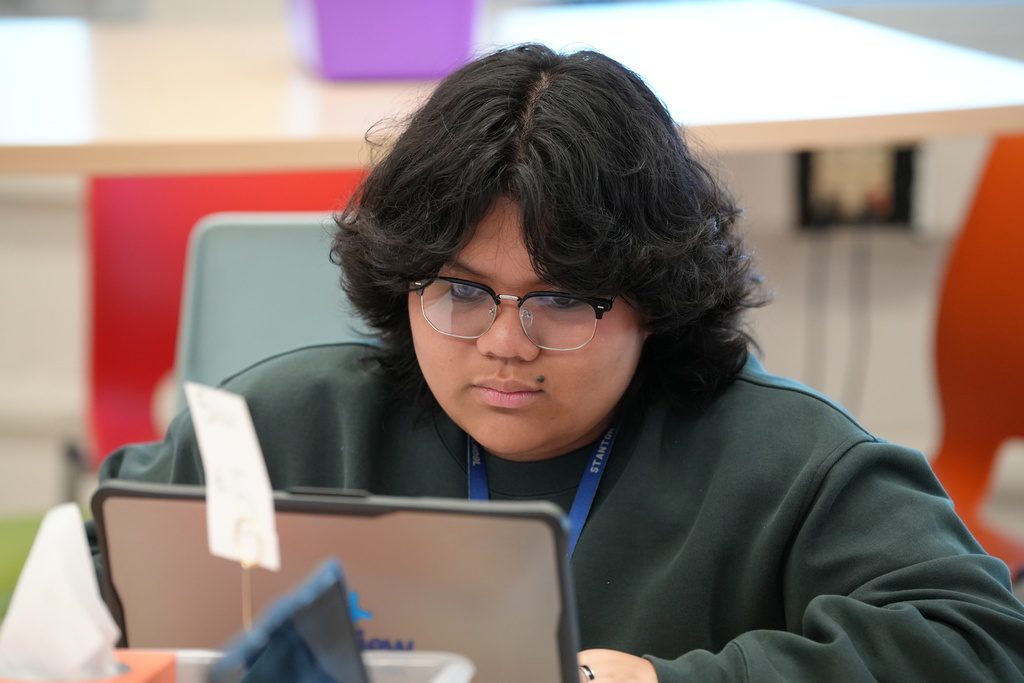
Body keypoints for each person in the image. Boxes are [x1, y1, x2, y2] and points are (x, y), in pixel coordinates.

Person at [91, 44, 1024, 681]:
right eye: (458, 292)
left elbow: (981, 639)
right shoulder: (286, 422)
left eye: (565, 298)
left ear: (655, 296)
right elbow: (110, 556)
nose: (505, 342)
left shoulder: (790, 466)